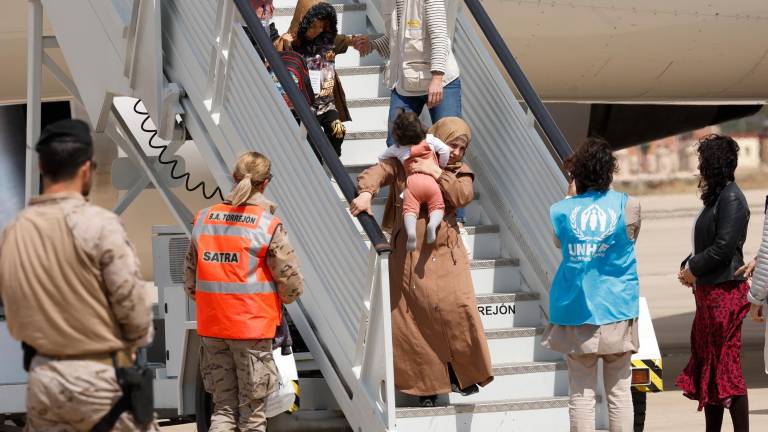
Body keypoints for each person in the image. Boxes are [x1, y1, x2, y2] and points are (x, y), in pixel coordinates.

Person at [0, 119, 157, 431]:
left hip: (42, 379)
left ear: (42, 167)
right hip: (97, 380)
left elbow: (12, 305)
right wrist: (135, 342)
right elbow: (133, 308)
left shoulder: (15, 231)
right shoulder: (100, 225)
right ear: (86, 169)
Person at [350, 117, 492, 407]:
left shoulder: (458, 171)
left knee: (458, 308)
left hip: (447, 250)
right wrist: (366, 193)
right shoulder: (408, 157)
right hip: (410, 252)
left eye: (462, 148)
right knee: (413, 320)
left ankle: (462, 375)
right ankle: (424, 388)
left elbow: (462, 195)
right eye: (452, 144)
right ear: (439, 137)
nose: (456, 152)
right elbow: (379, 171)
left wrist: (436, 172)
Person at [184, 151, 305, 431]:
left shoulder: (204, 219)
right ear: (265, 183)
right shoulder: (266, 224)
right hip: (252, 330)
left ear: (233, 178)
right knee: (253, 415)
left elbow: (190, 282)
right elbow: (292, 283)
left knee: (223, 409)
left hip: (213, 327)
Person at [542, 137, 640, 432]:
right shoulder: (629, 205)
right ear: (610, 171)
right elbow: (632, 239)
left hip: (576, 308)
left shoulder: (561, 210)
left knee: (581, 394)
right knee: (619, 392)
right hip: (617, 306)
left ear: (578, 174)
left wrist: (571, 197)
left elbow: (560, 242)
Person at [675, 134, 750, 432]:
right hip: (709, 294)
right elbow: (705, 243)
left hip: (725, 295)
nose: (700, 167)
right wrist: (687, 265)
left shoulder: (731, 197)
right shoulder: (718, 197)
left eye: (703, 161)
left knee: (727, 368)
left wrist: (693, 268)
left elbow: (723, 247)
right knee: (711, 367)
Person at [353, 0, 462, 147]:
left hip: (441, 81)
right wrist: (372, 45)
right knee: (395, 143)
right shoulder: (387, 3)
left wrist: (436, 78)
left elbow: (440, 38)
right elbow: (395, 39)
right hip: (405, 84)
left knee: (449, 141)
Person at [276, 0, 356, 158]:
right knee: (310, 148)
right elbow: (274, 56)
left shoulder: (330, 41)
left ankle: (333, 158)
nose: (317, 30)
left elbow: (349, 40)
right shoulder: (292, 43)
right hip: (304, 106)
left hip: (327, 105)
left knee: (338, 130)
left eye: (321, 26)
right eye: (313, 26)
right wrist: (285, 44)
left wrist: (363, 42)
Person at [379, 110, 451, 250]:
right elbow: (445, 151)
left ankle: (411, 233)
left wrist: (398, 163)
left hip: (412, 184)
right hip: (431, 182)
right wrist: (441, 166)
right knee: (437, 206)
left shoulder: (397, 148)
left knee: (410, 210)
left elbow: (381, 158)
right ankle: (433, 224)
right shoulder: (429, 140)